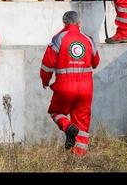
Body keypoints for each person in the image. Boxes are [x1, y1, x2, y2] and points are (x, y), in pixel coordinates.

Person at [40, 11, 100, 156]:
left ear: (64, 23)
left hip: (65, 87)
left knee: (55, 112)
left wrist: (45, 80)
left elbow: (47, 64)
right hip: (86, 89)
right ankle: (79, 155)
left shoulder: (58, 38)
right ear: (79, 23)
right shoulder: (88, 39)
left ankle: (68, 127)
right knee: (82, 122)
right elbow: (96, 62)